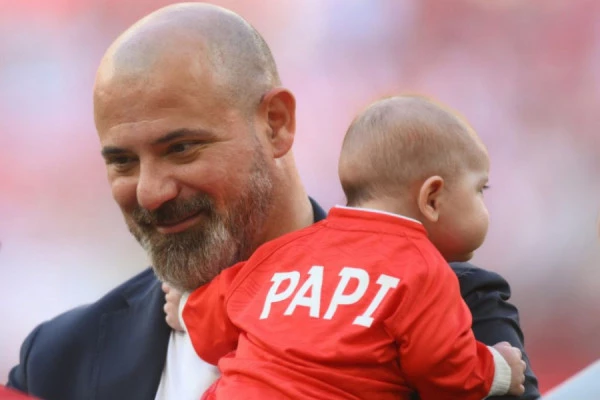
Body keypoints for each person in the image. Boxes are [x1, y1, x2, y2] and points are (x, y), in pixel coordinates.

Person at [6, 3, 540, 400]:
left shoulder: (451, 305)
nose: (150, 191)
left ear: (276, 124)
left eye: (182, 148)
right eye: (123, 161)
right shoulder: (59, 360)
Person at [163, 95, 525, 400]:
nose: (483, 204)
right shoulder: (423, 271)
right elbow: (444, 372)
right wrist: (500, 369)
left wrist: (185, 308)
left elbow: (220, 313)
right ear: (432, 197)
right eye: (480, 189)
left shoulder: (288, 250)